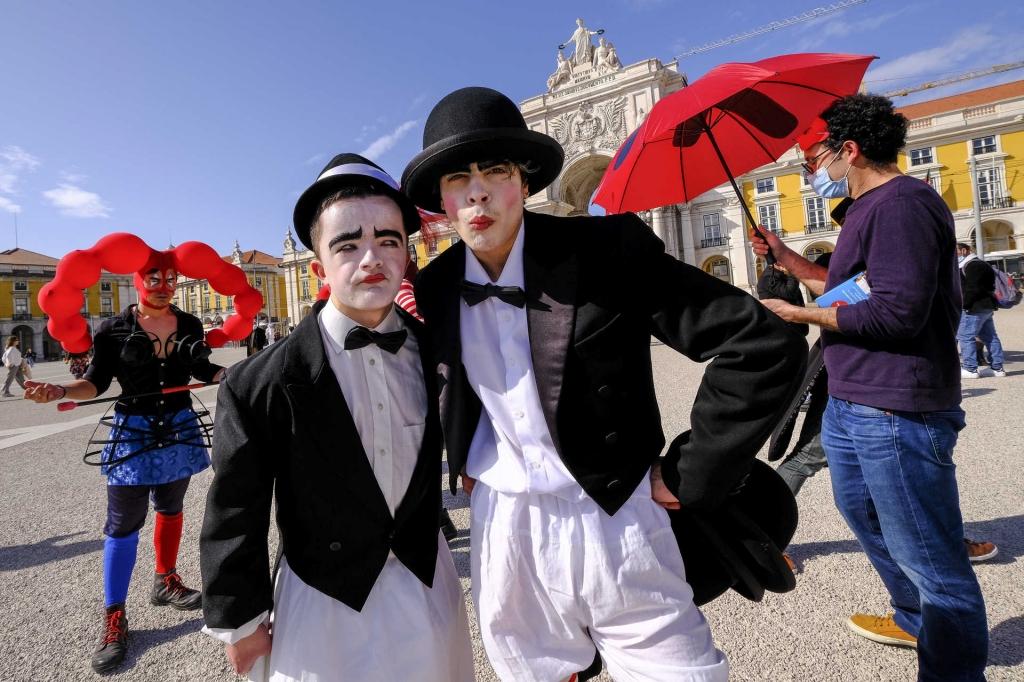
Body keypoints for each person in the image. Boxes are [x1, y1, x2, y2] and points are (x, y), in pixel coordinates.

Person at [404, 87, 806, 682]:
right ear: (441, 197)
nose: (478, 190)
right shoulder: (432, 289)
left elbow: (762, 345)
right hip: (502, 526)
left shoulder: (607, 251)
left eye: (496, 170)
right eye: (459, 177)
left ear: (525, 181)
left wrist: (688, 471)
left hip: (617, 513)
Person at [200, 154, 474, 682]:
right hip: (323, 606)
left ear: (407, 255)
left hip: (427, 585)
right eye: (347, 244)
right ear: (318, 268)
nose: (371, 258)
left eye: (388, 240)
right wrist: (240, 619)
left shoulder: (440, 351)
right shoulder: (256, 382)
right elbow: (235, 507)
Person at [751, 97, 989, 681]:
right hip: (854, 398)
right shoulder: (865, 208)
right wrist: (790, 261)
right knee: (863, 513)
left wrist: (799, 316)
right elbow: (852, 289)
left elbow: (897, 314)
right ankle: (913, 617)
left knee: (931, 556)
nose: (815, 168)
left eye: (818, 156)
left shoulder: (901, 206)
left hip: (896, 405)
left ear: (849, 150)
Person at [23, 252, 226, 674]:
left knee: (172, 507)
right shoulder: (114, 328)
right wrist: (60, 392)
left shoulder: (188, 324)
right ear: (138, 280)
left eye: (171, 277)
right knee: (122, 523)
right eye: (154, 276)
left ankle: (165, 581)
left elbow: (203, 367)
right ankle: (114, 616)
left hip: (179, 428)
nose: (163, 283)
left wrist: (239, 375)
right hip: (132, 432)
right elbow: (94, 382)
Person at [956, 242, 1006, 378]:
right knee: (990, 337)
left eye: (956, 252)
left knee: (966, 336)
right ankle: (997, 368)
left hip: (973, 307)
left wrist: (965, 305)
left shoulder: (972, 265)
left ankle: (970, 368)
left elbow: (973, 288)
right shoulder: (982, 264)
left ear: (964, 251)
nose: (955, 255)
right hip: (986, 306)